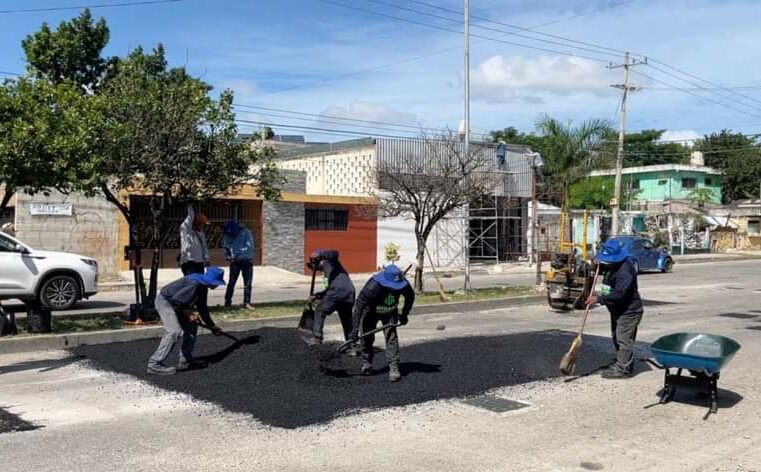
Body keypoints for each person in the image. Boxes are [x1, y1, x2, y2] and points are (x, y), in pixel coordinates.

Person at [147, 266, 225, 375]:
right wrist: (189, 313)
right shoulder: (194, 284)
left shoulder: (202, 287)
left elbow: (202, 309)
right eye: (217, 283)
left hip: (177, 305)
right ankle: (154, 364)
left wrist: (212, 326)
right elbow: (175, 302)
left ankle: (185, 360)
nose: (217, 285)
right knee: (174, 331)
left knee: (192, 327)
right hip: (165, 301)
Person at [586, 239, 643, 379]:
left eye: (606, 261)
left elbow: (619, 294)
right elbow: (600, 269)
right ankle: (622, 362)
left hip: (629, 311)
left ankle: (623, 370)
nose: (604, 263)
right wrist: (595, 264)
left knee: (624, 339)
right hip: (617, 310)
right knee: (616, 337)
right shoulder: (611, 266)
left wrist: (598, 299)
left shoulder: (626, 272)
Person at [350, 264, 415, 383]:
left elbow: (410, 297)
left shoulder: (403, 283)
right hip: (370, 312)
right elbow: (359, 306)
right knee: (366, 337)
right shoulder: (372, 286)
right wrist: (354, 330)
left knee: (391, 338)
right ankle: (367, 363)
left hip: (390, 312)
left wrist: (404, 314)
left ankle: (394, 368)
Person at [301, 250, 356, 351]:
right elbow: (331, 289)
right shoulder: (330, 272)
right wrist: (317, 296)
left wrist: (320, 253)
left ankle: (317, 339)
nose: (317, 270)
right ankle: (351, 346)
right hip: (349, 293)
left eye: (316, 267)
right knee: (346, 319)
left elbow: (335, 253)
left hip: (338, 292)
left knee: (320, 310)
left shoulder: (330, 261)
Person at [222, 220, 255, 309]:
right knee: (231, 282)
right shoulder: (228, 234)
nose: (231, 235)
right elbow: (225, 246)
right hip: (234, 261)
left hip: (246, 260)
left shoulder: (246, 232)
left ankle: (247, 302)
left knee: (247, 282)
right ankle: (227, 302)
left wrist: (237, 254)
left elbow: (249, 247)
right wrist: (228, 255)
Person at [179, 204, 210, 276]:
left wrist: (207, 260)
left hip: (199, 262)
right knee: (191, 284)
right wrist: (190, 205)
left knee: (201, 285)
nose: (203, 226)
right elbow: (190, 216)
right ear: (197, 223)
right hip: (189, 261)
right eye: (203, 224)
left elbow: (204, 247)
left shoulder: (200, 234)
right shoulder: (186, 230)